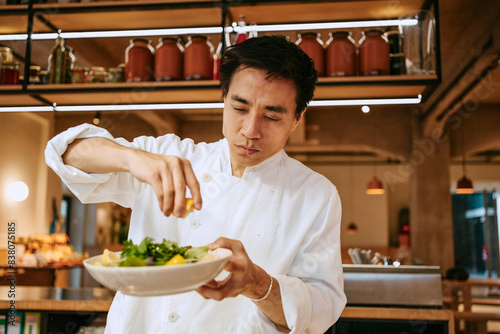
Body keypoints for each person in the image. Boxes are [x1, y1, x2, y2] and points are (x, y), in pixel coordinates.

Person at [45, 35, 346, 333]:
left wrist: (257, 283)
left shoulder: (316, 195)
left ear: (296, 118)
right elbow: (66, 153)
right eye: (239, 109)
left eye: (271, 116)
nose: (250, 130)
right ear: (224, 100)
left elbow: (321, 309)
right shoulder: (169, 156)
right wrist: (132, 159)